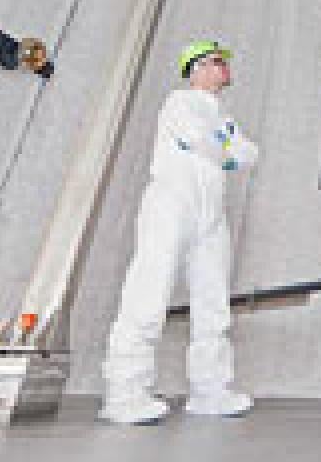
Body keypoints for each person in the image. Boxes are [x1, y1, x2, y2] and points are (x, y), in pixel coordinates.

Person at [99, 40, 259, 425]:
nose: (224, 68)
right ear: (197, 68)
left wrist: (224, 149)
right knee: (148, 293)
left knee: (213, 302)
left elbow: (249, 154)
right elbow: (203, 142)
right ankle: (125, 394)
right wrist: (225, 150)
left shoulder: (224, 117)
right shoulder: (179, 102)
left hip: (211, 214)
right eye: (217, 62)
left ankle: (210, 391)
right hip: (171, 206)